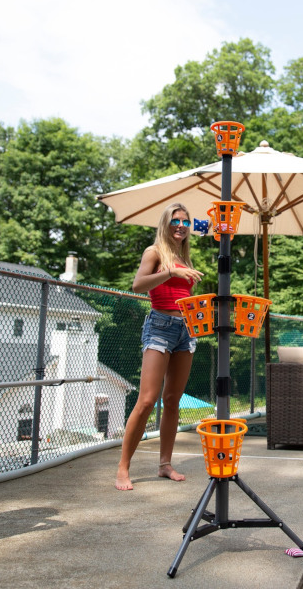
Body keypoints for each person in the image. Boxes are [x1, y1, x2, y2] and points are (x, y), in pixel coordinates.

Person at [115, 203, 203, 491]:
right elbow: (138, 285)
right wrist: (170, 273)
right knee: (147, 400)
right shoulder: (154, 253)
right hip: (160, 327)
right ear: (165, 224)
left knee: (173, 399)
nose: (181, 226)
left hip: (186, 328)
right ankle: (123, 468)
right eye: (175, 221)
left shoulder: (184, 257)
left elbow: (180, 293)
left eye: (185, 222)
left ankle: (165, 464)